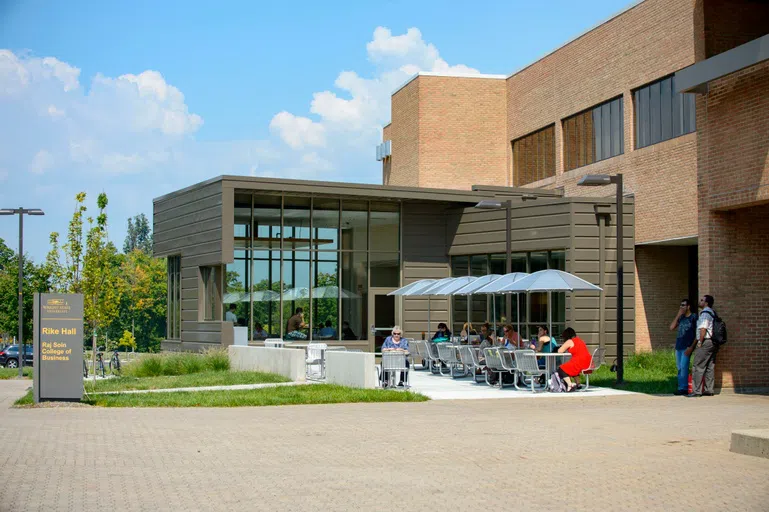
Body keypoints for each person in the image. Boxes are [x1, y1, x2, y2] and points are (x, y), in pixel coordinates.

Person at [687, 295, 717, 397]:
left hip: (705, 342)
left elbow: (703, 329)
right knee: (709, 366)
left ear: (706, 303)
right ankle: (709, 390)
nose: (700, 301)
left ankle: (696, 391)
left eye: (702, 300)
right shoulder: (712, 312)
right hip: (712, 342)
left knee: (697, 366)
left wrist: (700, 342)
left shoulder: (704, 313)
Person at [670, 298, 698, 395]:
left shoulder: (694, 317)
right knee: (679, 367)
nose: (681, 307)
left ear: (688, 306)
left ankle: (684, 388)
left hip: (687, 347)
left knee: (684, 367)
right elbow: (672, 327)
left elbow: (697, 334)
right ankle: (681, 387)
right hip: (679, 346)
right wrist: (678, 314)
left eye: (683, 305)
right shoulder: (681, 317)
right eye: (680, 305)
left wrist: (691, 347)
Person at [556, 327, 592, 392]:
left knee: (561, 369)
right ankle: (578, 384)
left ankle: (570, 385)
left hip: (579, 362)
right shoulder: (580, 340)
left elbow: (559, 351)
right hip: (588, 362)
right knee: (571, 367)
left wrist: (562, 346)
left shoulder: (569, 341)